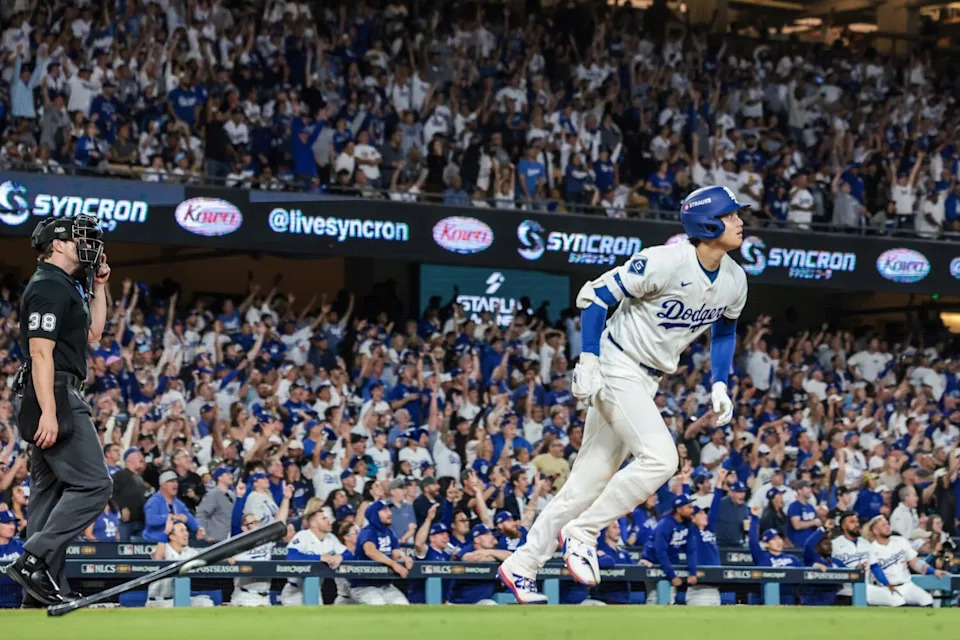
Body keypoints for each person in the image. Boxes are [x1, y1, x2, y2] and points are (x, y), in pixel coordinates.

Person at [499, 186, 748, 603]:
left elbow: (725, 331)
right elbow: (595, 296)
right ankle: (583, 533)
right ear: (707, 224)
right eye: (731, 214)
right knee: (662, 459)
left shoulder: (735, 279)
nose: (740, 221)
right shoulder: (664, 261)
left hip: (647, 378)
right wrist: (589, 359)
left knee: (585, 485)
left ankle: (522, 565)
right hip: (617, 364)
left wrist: (719, 383)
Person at [4, 214, 113, 607]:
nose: (89, 244)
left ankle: (36, 596)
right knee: (96, 484)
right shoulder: (49, 285)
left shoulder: (68, 284)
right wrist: (50, 411)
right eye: (80, 237)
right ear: (59, 245)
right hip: (53, 392)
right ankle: (33, 560)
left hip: (55, 389)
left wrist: (100, 288)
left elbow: (93, 334)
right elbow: (39, 351)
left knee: (47, 497)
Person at [866, 515, 947, 607]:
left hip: (907, 585)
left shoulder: (900, 541)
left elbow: (914, 561)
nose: (887, 526)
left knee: (927, 599)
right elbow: (876, 569)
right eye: (883, 525)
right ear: (876, 531)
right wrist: (888, 585)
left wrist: (933, 571)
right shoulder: (872, 548)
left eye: (887, 524)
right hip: (885, 588)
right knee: (898, 601)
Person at [280, 504, 344, 606]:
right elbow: (291, 557)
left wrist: (341, 556)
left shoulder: (331, 537)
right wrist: (320, 558)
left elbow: (349, 554)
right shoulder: (303, 536)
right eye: (324, 518)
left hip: (316, 589)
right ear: (313, 523)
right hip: (295, 592)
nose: (329, 521)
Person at [641, 494, 699, 605]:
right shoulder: (666, 524)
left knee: (670, 599)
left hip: (670, 562)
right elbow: (660, 552)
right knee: (654, 598)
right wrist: (672, 575)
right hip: (653, 562)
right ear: (679, 509)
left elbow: (691, 551)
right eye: (689, 507)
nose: (692, 510)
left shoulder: (688, 525)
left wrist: (693, 572)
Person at [351, 500, 412, 605]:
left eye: (389, 510)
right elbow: (370, 551)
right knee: (378, 604)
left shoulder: (390, 532)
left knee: (403, 605)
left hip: (386, 585)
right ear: (375, 514)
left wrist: (404, 558)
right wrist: (393, 564)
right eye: (384, 510)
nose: (390, 513)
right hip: (364, 585)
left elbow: (396, 553)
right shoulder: (368, 531)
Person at [145, 521, 214, 608]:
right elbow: (158, 557)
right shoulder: (163, 548)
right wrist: (166, 532)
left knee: (206, 603)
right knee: (180, 606)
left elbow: (206, 557)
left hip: (180, 599)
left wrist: (227, 556)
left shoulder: (188, 551)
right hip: (159, 601)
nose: (186, 534)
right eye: (182, 531)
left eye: (186, 530)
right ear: (172, 537)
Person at [748, 503, 802, 604]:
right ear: (766, 544)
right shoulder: (762, 557)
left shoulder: (792, 559)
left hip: (789, 598)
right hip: (768, 598)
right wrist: (754, 518)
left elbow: (804, 577)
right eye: (773, 539)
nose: (778, 542)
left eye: (779, 538)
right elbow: (753, 541)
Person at [687, 469, 726, 606]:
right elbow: (685, 507)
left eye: (704, 513)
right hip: (699, 588)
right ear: (692, 518)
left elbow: (715, 508)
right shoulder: (692, 532)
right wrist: (685, 485)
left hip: (714, 586)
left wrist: (720, 482)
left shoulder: (709, 529)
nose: (704, 515)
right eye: (700, 514)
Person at [449, 524, 512, 605]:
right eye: (487, 534)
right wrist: (496, 556)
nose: (491, 537)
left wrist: (489, 552)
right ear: (477, 539)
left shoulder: (493, 550)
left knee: (492, 605)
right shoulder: (467, 549)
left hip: (483, 600)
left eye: (491, 534)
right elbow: (473, 558)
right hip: (460, 601)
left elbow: (511, 556)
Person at [142, 470, 205, 542]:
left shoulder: (178, 503)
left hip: (173, 542)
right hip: (153, 542)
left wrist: (199, 528)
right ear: (163, 485)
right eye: (171, 481)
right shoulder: (153, 501)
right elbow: (151, 520)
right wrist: (171, 517)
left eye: (176, 481)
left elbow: (188, 517)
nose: (175, 484)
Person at [408, 504, 452, 604]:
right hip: (421, 601)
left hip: (443, 601)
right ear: (432, 538)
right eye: (441, 534)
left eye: (447, 535)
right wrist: (428, 519)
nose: (446, 537)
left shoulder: (447, 554)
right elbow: (418, 543)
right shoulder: (426, 551)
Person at [228, 515, 274, 607]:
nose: (257, 525)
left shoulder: (267, 543)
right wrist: (227, 558)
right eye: (253, 523)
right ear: (244, 528)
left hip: (265, 597)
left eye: (258, 522)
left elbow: (279, 521)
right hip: (245, 596)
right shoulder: (238, 544)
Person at [197, 467, 236, 543]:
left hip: (230, 537)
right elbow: (201, 515)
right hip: (217, 540)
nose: (231, 476)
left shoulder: (232, 494)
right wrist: (206, 536)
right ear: (220, 477)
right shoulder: (212, 495)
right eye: (228, 474)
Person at [0, 510, 24, 608]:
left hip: (17, 601)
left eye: (13, 524)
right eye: (7, 523)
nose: (12, 527)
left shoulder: (22, 547)